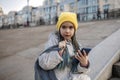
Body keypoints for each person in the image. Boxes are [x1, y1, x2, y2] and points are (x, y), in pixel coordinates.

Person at [38, 12, 91, 80]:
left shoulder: (77, 46)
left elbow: (77, 70)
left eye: (71, 27)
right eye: (64, 27)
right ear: (59, 28)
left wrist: (84, 64)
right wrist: (58, 53)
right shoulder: (53, 41)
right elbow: (44, 64)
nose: (67, 31)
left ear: (74, 30)